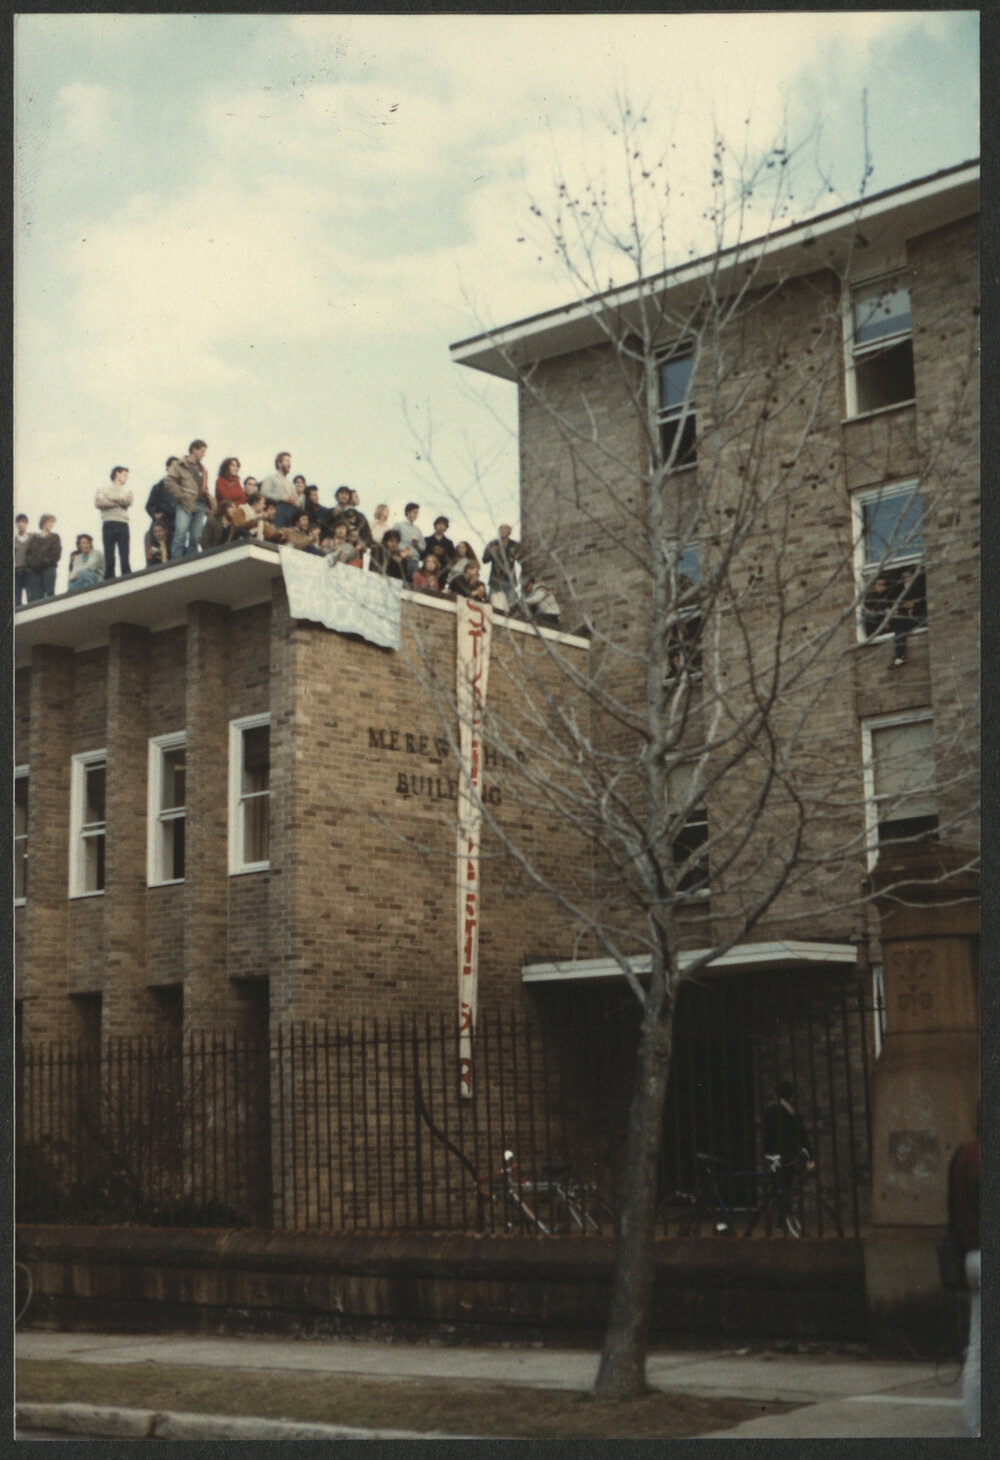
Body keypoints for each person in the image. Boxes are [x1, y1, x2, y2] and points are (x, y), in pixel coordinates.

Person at [948, 1120, 980, 1436]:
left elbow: (952, 1213)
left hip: (971, 1258)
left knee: (977, 1349)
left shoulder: (962, 1154)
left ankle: (974, 1426)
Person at [762, 1080, 814, 1223]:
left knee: (777, 1186)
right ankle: (782, 1217)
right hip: (790, 1156)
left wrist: (767, 1153)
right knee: (785, 1185)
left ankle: (780, 1215)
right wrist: (810, 1157)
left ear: (776, 1094)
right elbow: (803, 1137)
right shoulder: (793, 1114)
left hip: (774, 1156)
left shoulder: (770, 1112)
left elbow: (766, 1136)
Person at [165, 440, 212, 559]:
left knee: (196, 536)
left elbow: (205, 487)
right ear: (194, 450)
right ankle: (176, 561)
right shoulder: (179, 465)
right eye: (202, 451)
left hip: (200, 504)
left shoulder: (203, 469)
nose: (203, 454)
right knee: (181, 532)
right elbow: (169, 481)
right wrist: (181, 495)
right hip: (185, 503)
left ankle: (190, 560)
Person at [95, 465, 133, 578]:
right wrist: (118, 503)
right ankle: (110, 579)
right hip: (108, 523)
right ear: (117, 474)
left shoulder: (128, 490)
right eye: (125, 475)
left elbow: (128, 501)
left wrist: (110, 499)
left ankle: (127, 578)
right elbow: (99, 503)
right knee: (109, 556)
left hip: (122, 523)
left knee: (124, 555)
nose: (126, 477)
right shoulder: (103, 489)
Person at [888, 565, 922, 668]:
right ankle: (899, 655)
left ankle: (900, 656)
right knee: (897, 626)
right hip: (909, 617)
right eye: (904, 577)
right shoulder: (903, 591)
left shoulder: (918, 588)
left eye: (908, 576)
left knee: (900, 628)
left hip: (920, 617)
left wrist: (908, 607)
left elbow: (915, 603)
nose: (906, 579)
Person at [24, 514, 61, 601]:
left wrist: (43, 561)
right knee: (37, 597)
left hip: (48, 569)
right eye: (50, 522)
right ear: (44, 522)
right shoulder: (34, 538)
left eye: (53, 522)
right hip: (35, 571)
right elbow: (28, 554)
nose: (52, 524)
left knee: (49, 594)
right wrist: (32, 564)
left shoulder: (54, 537)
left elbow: (56, 554)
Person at [483, 524, 522, 600]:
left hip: (509, 580)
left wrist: (518, 556)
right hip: (495, 580)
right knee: (494, 602)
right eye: (501, 528)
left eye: (505, 528)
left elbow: (521, 561)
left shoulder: (515, 545)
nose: (503, 530)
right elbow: (484, 559)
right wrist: (491, 553)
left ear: (510, 532)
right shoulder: (493, 544)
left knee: (510, 604)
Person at [259, 451, 298, 528]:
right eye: (287, 461)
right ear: (279, 463)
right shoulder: (270, 478)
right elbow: (263, 493)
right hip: (278, 510)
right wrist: (281, 497)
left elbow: (296, 499)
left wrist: (294, 501)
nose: (289, 464)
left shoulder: (291, 484)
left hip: (291, 512)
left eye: (290, 461)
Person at [145, 457, 179, 543]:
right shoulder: (159, 487)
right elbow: (148, 506)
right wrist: (154, 515)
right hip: (164, 520)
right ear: (168, 467)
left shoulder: (182, 486)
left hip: (177, 519)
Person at [392, 502, 425, 578]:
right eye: (414, 512)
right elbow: (393, 542)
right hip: (402, 559)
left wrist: (417, 544)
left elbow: (423, 547)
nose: (416, 515)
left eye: (417, 513)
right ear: (408, 512)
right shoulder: (398, 525)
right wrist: (401, 552)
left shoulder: (418, 530)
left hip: (414, 561)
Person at [14, 513, 30, 605]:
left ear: (26, 523)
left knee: (31, 596)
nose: (21, 524)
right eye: (19, 522)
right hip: (17, 571)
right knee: (17, 598)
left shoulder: (32, 538)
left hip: (29, 571)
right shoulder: (14, 540)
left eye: (23, 522)